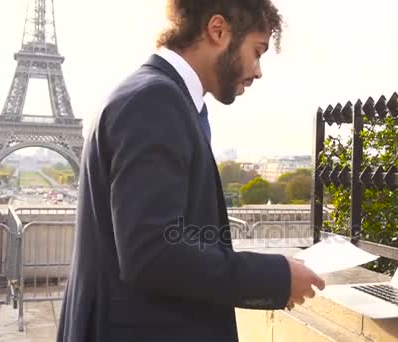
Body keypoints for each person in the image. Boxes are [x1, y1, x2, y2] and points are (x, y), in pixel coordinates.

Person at [56, 1, 325, 341]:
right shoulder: (155, 101)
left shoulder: (159, 96)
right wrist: (275, 277)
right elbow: (152, 254)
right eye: (257, 52)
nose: (258, 71)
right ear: (218, 30)